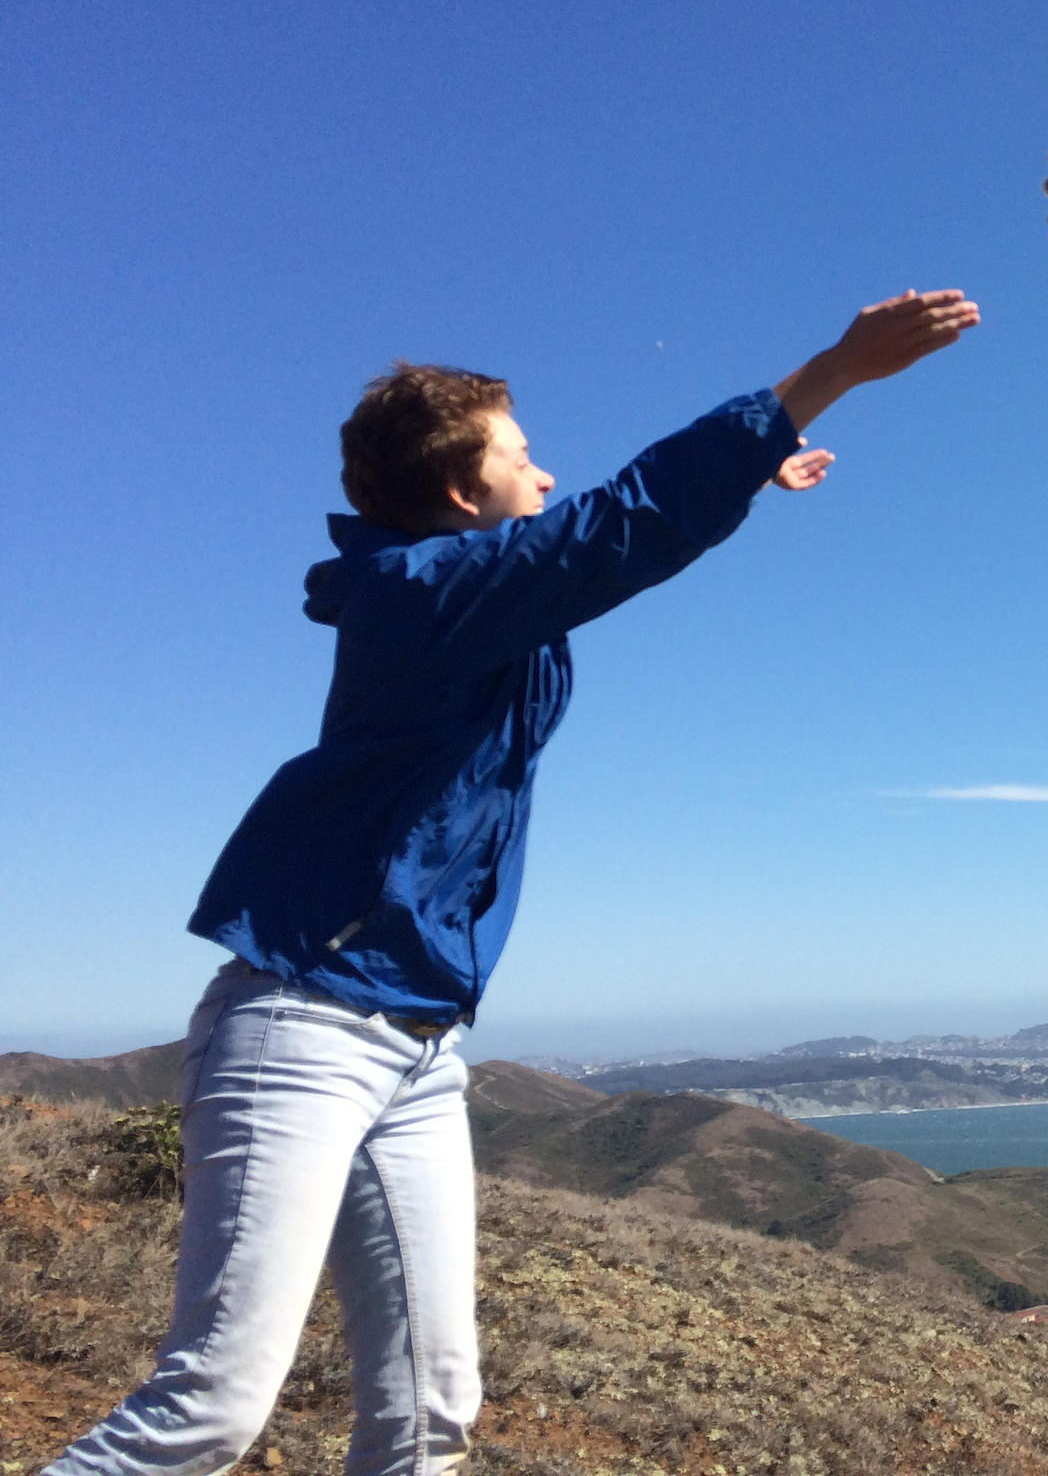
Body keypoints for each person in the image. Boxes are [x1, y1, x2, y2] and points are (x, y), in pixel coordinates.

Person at [44, 289, 980, 1476]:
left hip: (420, 1046)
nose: (544, 474)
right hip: (306, 1026)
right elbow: (615, 533)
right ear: (457, 492)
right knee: (210, 1409)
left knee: (433, 1413)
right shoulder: (424, 599)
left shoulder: (472, 608)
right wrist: (824, 374)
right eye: (521, 458)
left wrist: (746, 476)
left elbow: (611, 551)